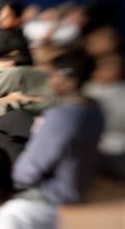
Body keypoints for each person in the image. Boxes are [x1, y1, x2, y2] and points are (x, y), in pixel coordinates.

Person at [13, 48, 105, 204]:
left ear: (70, 81)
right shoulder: (95, 108)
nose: (50, 81)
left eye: (53, 75)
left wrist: (12, 179)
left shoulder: (63, 117)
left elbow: (27, 172)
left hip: (54, 192)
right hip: (76, 182)